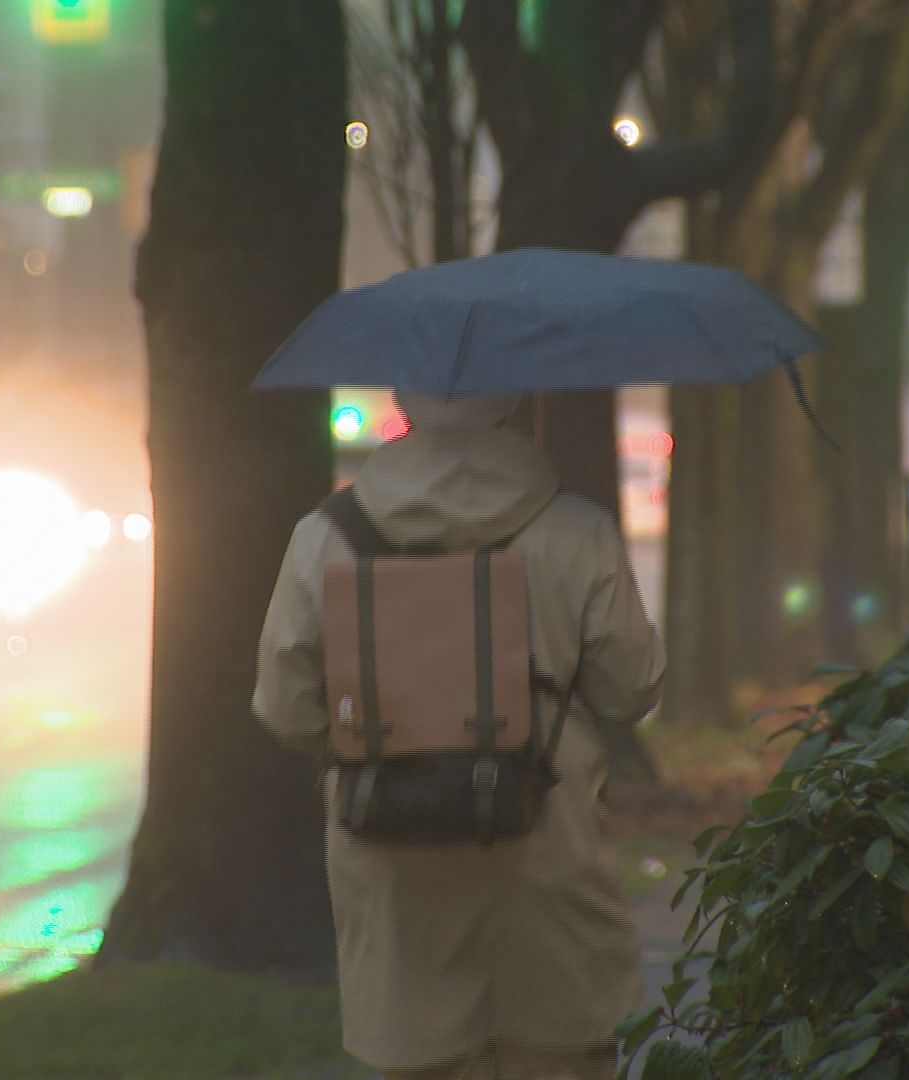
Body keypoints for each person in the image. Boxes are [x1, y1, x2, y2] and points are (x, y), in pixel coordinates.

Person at [253, 390, 667, 1080]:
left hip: (393, 874)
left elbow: (285, 707)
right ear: (516, 403)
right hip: (550, 864)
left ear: (402, 399)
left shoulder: (324, 535)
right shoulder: (577, 530)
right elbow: (631, 690)